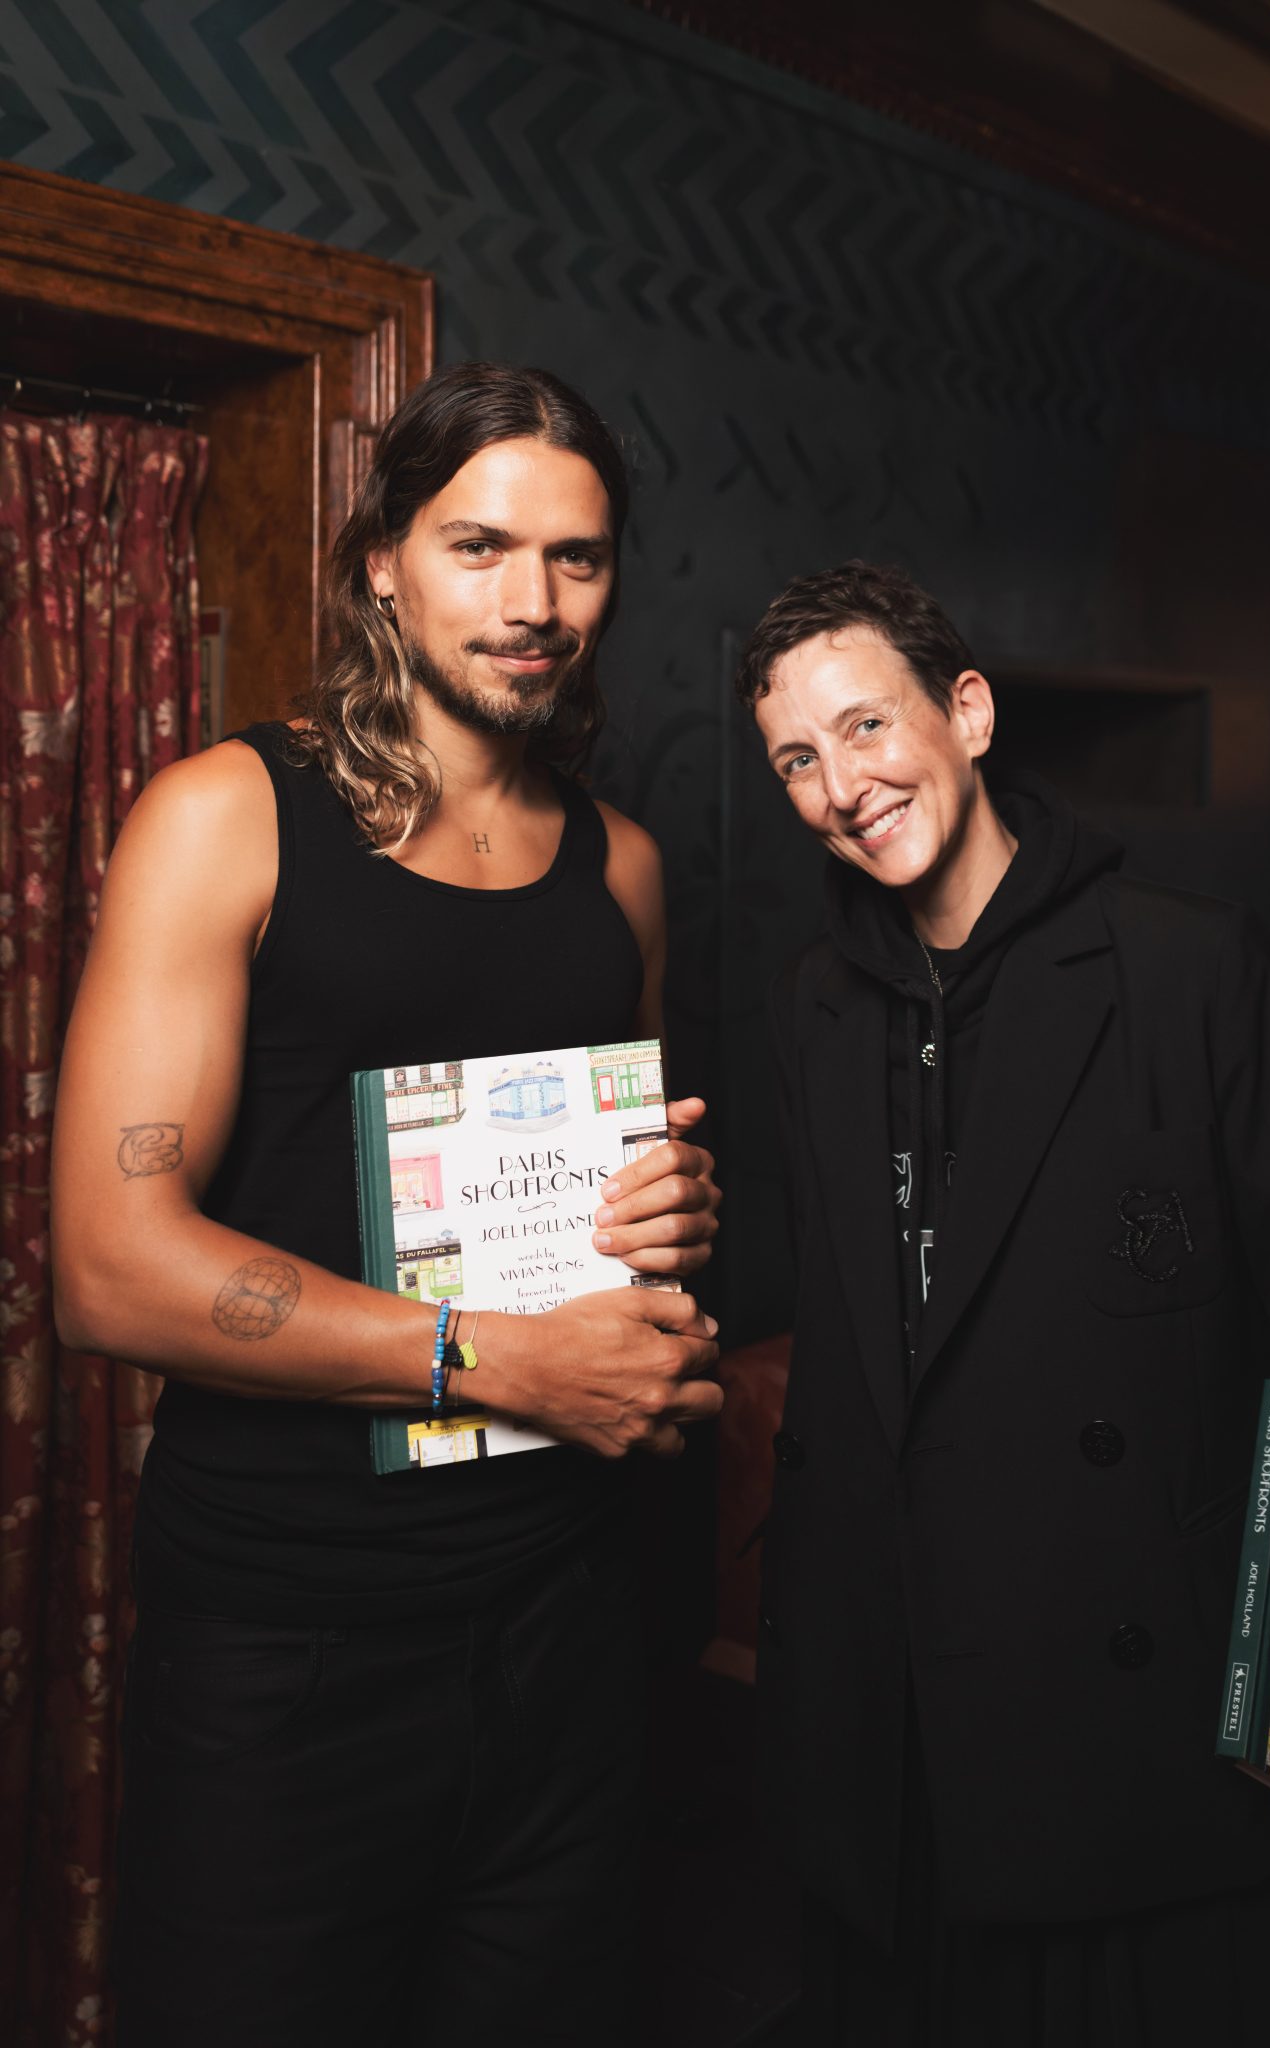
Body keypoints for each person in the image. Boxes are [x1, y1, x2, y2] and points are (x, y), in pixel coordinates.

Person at [50, 361, 723, 2048]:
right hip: (294, 1644)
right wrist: (504, 1363)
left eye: (576, 559)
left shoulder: (621, 868)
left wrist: (665, 1214)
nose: (532, 602)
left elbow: (597, 1205)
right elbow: (112, 1271)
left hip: (572, 1619)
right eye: (480, 546)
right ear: (380, 561)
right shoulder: (228, 819)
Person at [735, 560, 1270, 2044]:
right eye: (797, 761)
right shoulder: (812, 1006)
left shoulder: (1190, 965)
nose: (843, 785)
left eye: (867, 728)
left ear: (968, 711)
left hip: (1139, 1758)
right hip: (887, 1763)